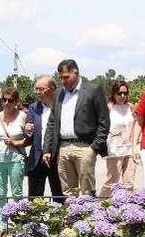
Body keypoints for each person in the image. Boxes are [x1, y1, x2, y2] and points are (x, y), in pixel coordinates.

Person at [42, 59, 109, 196]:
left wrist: (94, 148)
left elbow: (104, 122)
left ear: (76, 73)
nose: (63, 81)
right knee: (68, 192)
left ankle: (89, 217)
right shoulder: (59, 93)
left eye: (66, 77)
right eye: (60, 77)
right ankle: (71, 217)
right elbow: (52, 122)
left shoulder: (93, 90)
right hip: (63, 148)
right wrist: (47, 149)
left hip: (85, 148)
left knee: (86, 192)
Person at [0, 87, 28, 237]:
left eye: (10, 100)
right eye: (3, 100)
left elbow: (29, 139)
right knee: (0, 194)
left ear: (16, 102)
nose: (6, 103)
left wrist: (16, 142)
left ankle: (18, 225)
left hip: (15, 158)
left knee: (17, 193)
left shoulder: (23, 117)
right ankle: (1, 226)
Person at [24, 75, 62, 198]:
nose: (37, 92)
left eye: (40, 89)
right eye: (36, 89)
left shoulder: (63, 106)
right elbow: (28, 135)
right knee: (35, 198)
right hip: (37, 157)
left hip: (57, 156)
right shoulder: (34, 107)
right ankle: (34, 218)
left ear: (52, 88)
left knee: (59, 194)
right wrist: (28, 130)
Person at [100, 80, 137, 197]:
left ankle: (127, 207)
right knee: (112, 180)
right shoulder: (109, 108)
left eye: (125, 93)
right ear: (113, 93)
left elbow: (137, 124)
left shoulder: (130, 107)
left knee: (129, 181)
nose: (122, 96)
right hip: (114, 149)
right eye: (119, 93)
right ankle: (102, 204)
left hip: (130, 148)